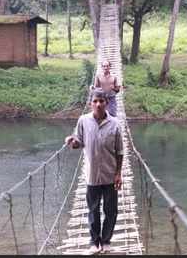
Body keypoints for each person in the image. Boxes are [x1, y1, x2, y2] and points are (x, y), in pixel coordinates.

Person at [65, 88, 123, 255]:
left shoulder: (115, 124)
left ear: (107, 103)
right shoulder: (83, 121)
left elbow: (120, 151)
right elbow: (79, 143)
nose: (98, 104)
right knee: (93, 209)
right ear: (90, 104)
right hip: (91, 175)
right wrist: (71, 141)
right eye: (95, 101)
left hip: (110, 175)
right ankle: (94, 242)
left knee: (111, 210)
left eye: (101, 101)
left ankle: (106, 241)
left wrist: (118, 173)